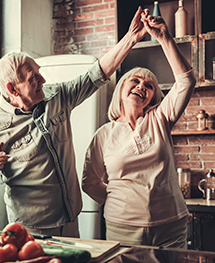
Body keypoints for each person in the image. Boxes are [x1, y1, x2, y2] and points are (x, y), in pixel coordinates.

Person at [0, 7, 150, 237]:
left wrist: (131, 38)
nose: (43, 79)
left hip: (71, 219)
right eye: (34, 78)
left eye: (39, 73)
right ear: (13, 89)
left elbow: (96, 74)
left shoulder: (56, 96)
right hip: (30, 230)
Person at [82, 12, 196, 248]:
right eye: (135, 80)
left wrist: (164, 38)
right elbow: (90, 182)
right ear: (121, 88)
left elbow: (185, 80)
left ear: (153, 96)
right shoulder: (103, 134)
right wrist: (120, 202)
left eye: (149, 86)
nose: (142, 86)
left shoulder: (160, 118)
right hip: (121, 227)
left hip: (171, 225)